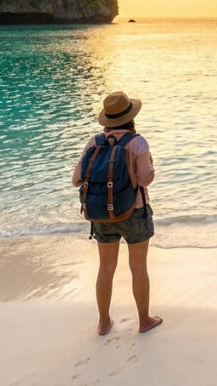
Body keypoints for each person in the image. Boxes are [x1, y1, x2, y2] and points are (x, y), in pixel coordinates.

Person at [72, 91, 163, 335]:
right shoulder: (138, 143)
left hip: (102, 214)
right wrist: (151, 165)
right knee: (139, 268)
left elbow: (76, 179)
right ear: (131, 117)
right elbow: (145, 180)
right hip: (135, 213)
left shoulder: (94, 142)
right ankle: (144, 321)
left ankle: (103, 322)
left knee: (106, 268)